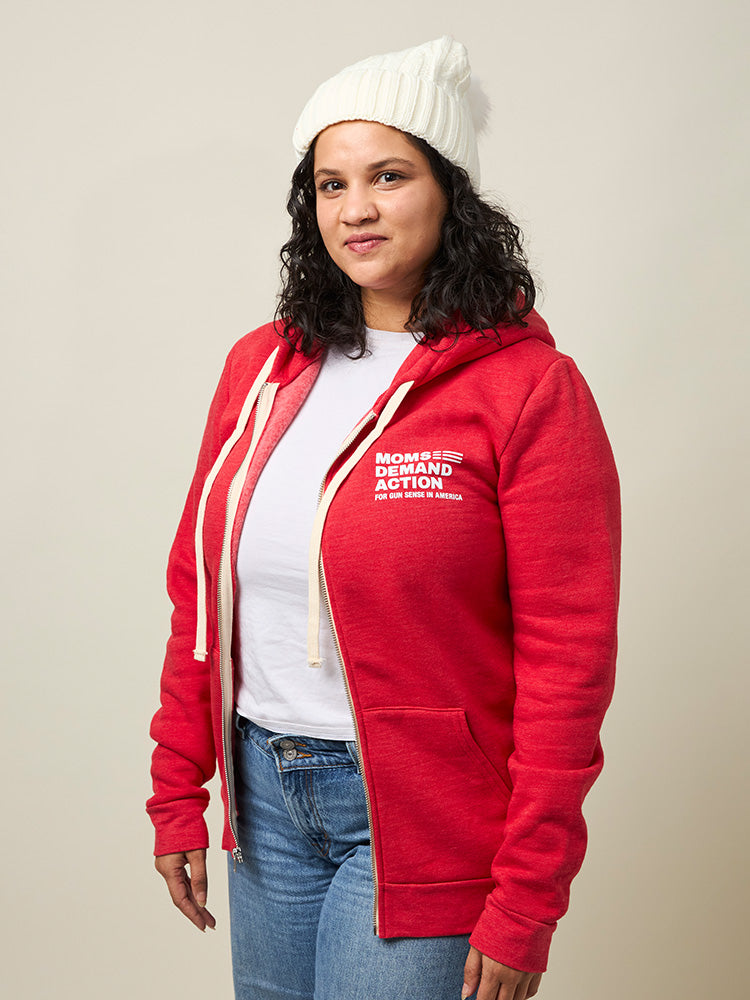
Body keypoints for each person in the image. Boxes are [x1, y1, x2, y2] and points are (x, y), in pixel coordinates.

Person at [147, 36, 620, 1000]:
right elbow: (200, 589)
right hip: (264, 801)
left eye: (389, 175)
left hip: (423, 812)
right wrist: (175, 791)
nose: (354, 209)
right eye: (329, 184)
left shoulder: (530, 392)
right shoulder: (261, 369)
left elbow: (570, 659)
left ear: (451, 192)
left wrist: (528, 894)